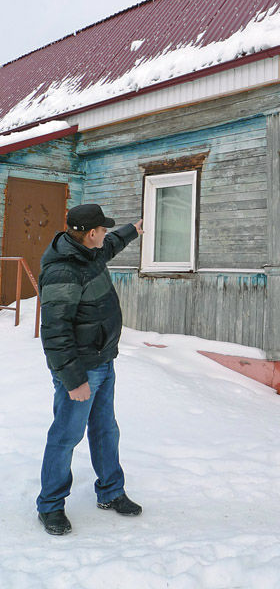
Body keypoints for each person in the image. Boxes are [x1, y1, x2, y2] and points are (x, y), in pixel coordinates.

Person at [36, 203, 144, 536]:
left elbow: (112, 245)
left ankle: (111, 492)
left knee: (105, 430)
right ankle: (50, 506)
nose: (106, 235)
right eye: (103, 230)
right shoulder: (63, 270)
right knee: (66, 436)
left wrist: (134, 229)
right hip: (81, 370)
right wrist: (73, 379)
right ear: (90, 233)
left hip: (102, 360)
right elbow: (54, 332)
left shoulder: (90, 251)